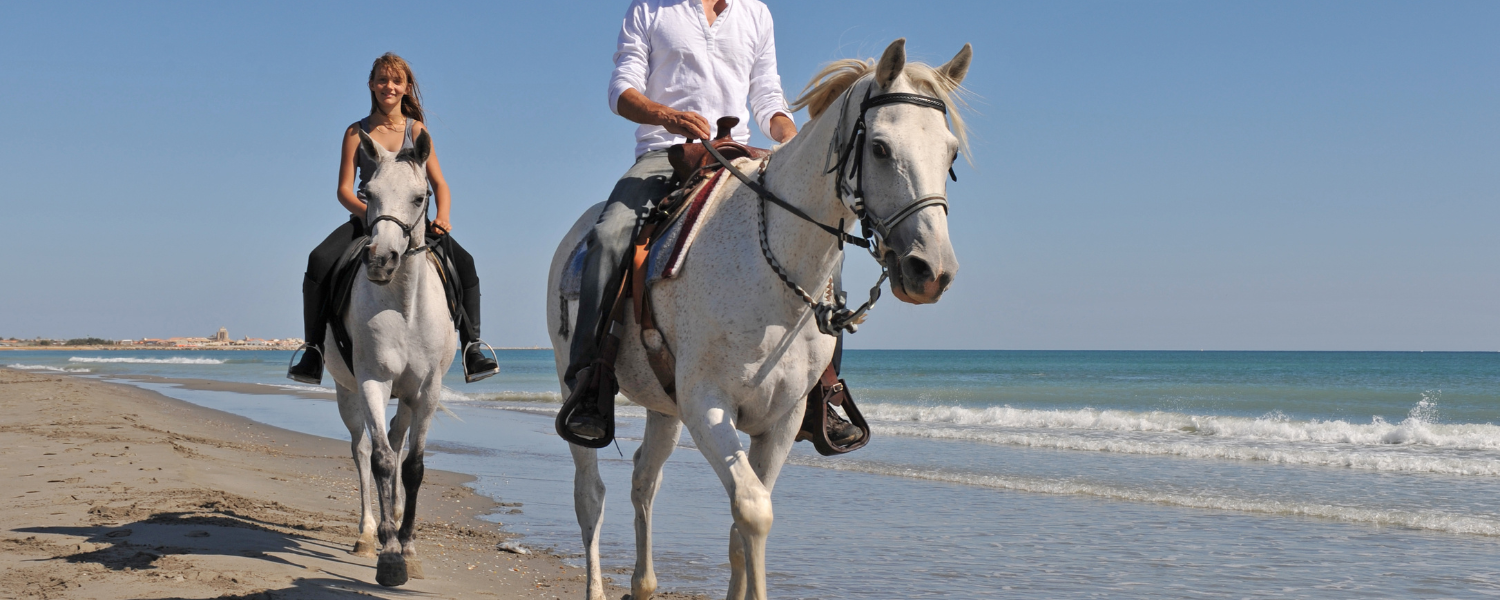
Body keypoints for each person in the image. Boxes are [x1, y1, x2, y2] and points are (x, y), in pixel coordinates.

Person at [561, 0, 861, 446]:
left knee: (821, 235)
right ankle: (591, 380)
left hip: (738, 155)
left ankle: (822, 389)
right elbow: (621, 90)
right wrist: (666, 116)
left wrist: (792, 139)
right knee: (608, 237)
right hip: (666, 154)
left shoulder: (755, 13)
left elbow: (767, 94)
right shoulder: (650, 8)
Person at [288, 53, 498, 385]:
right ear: (371, 85)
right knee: (318, 260)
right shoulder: (356, 132)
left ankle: (472, 345)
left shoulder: (417, 131)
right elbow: (344, 189)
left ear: (406, 87)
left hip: (415, 223)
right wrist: (369, 215)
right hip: (366, 220)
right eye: (383, 80)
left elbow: (439, 184)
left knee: (467, 264)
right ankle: (313, 349)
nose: (389, 86)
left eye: (396, 81)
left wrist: (442, 216)